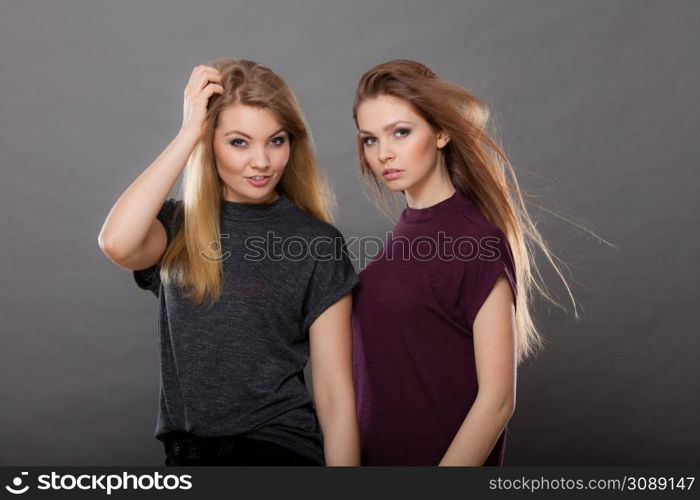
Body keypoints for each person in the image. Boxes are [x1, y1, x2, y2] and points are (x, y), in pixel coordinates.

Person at [98, 58, 360, 466]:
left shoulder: (316, 243)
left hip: (277, 452)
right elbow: (116, 242)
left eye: (276, 140)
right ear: (210, 141)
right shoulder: (175, 227)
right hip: (186, 459)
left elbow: (334, 394)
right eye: (239, 141)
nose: (262, 161)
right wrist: (188, 133)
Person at [350, 59, 579, 466]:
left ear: (440, 132)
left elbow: (498, 400)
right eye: (370, 140)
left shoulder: (476, 242)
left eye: (400, 133)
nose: (384, 154)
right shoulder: (404, 237)